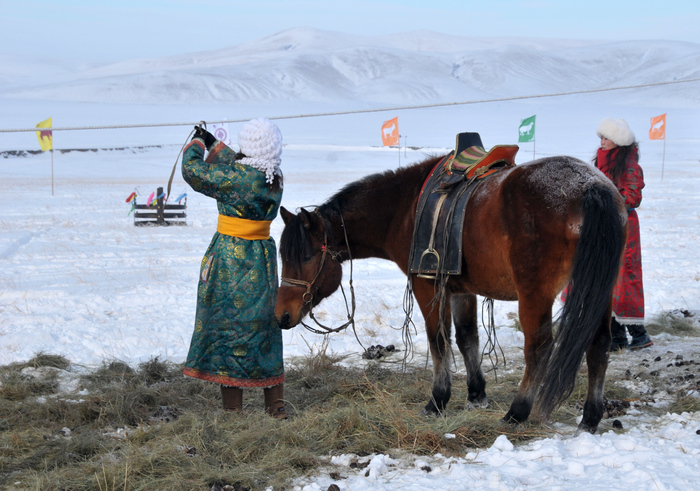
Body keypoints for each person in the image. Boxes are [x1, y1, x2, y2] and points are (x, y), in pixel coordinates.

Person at [181, 118, 287, 418]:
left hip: (231, 259)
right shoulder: (274, 176)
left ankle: (233, 411)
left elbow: (193, 171)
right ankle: (275, 405)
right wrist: (214, 142)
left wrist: (198, 144)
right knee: (266, 328)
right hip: (262, 260)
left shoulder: (236, 179)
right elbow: (237, 163)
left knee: (228, 329)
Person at [595, 118, 653, 351]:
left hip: (623, 228)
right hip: (604, 228)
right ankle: (616, 337)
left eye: (606, 137)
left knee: (625, 278)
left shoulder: (629, 166)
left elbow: (632, 196)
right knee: (608, 279)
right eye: (601, 137)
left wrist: (604, 203)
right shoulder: (599, 163)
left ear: (618, 142)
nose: (602, 141)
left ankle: (639, 335)